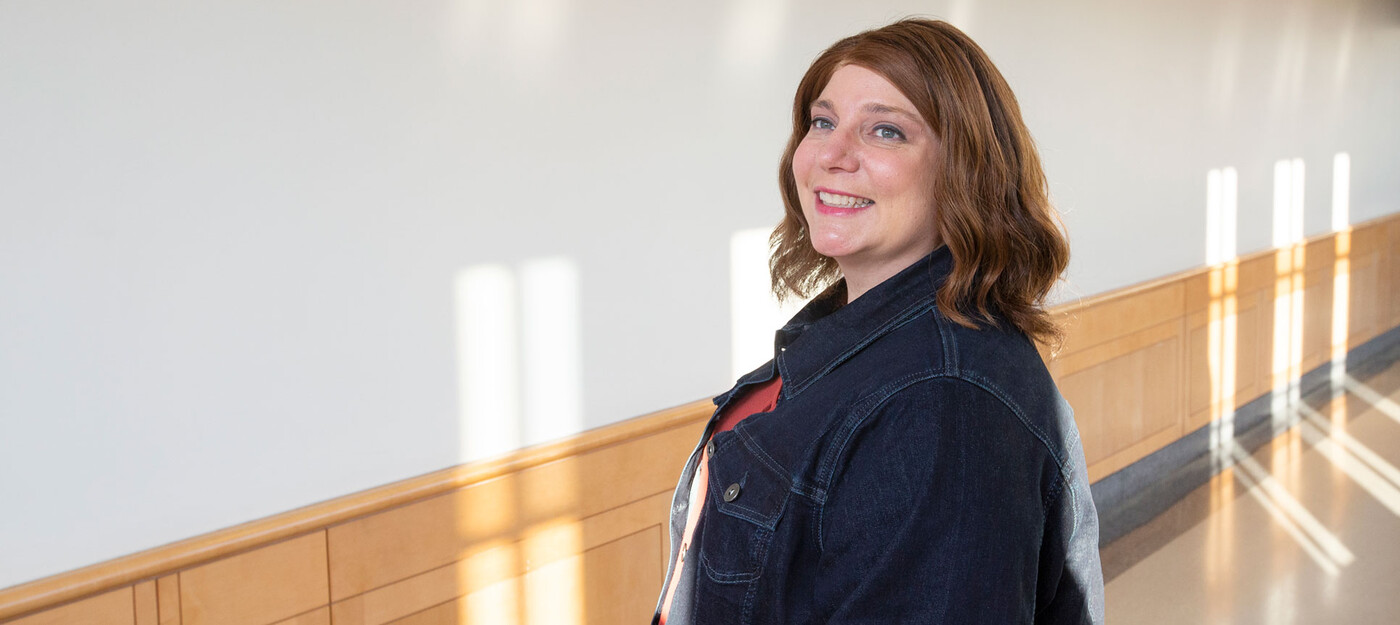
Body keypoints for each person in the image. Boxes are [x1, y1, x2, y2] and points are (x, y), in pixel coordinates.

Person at [653, 18, 1104, 624]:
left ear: (965, 172)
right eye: (822, 121)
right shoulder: (857, 339)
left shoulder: (943, 406)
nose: (833, 156)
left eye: (885, 131)